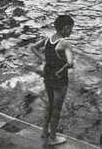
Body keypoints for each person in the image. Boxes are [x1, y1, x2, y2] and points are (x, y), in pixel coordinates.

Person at [31, 14, 75, 146]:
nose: (71, 31)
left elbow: (33, 47)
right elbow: (70, 63)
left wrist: (43, 59)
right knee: (57, 109)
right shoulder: (65, 43)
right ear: (65, 28)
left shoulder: (48, 38)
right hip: (59, 79)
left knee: (49, 105)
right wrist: (64, 68)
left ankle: (45, 131)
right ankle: (53, 137)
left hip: (47, 75)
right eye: (71, 29)